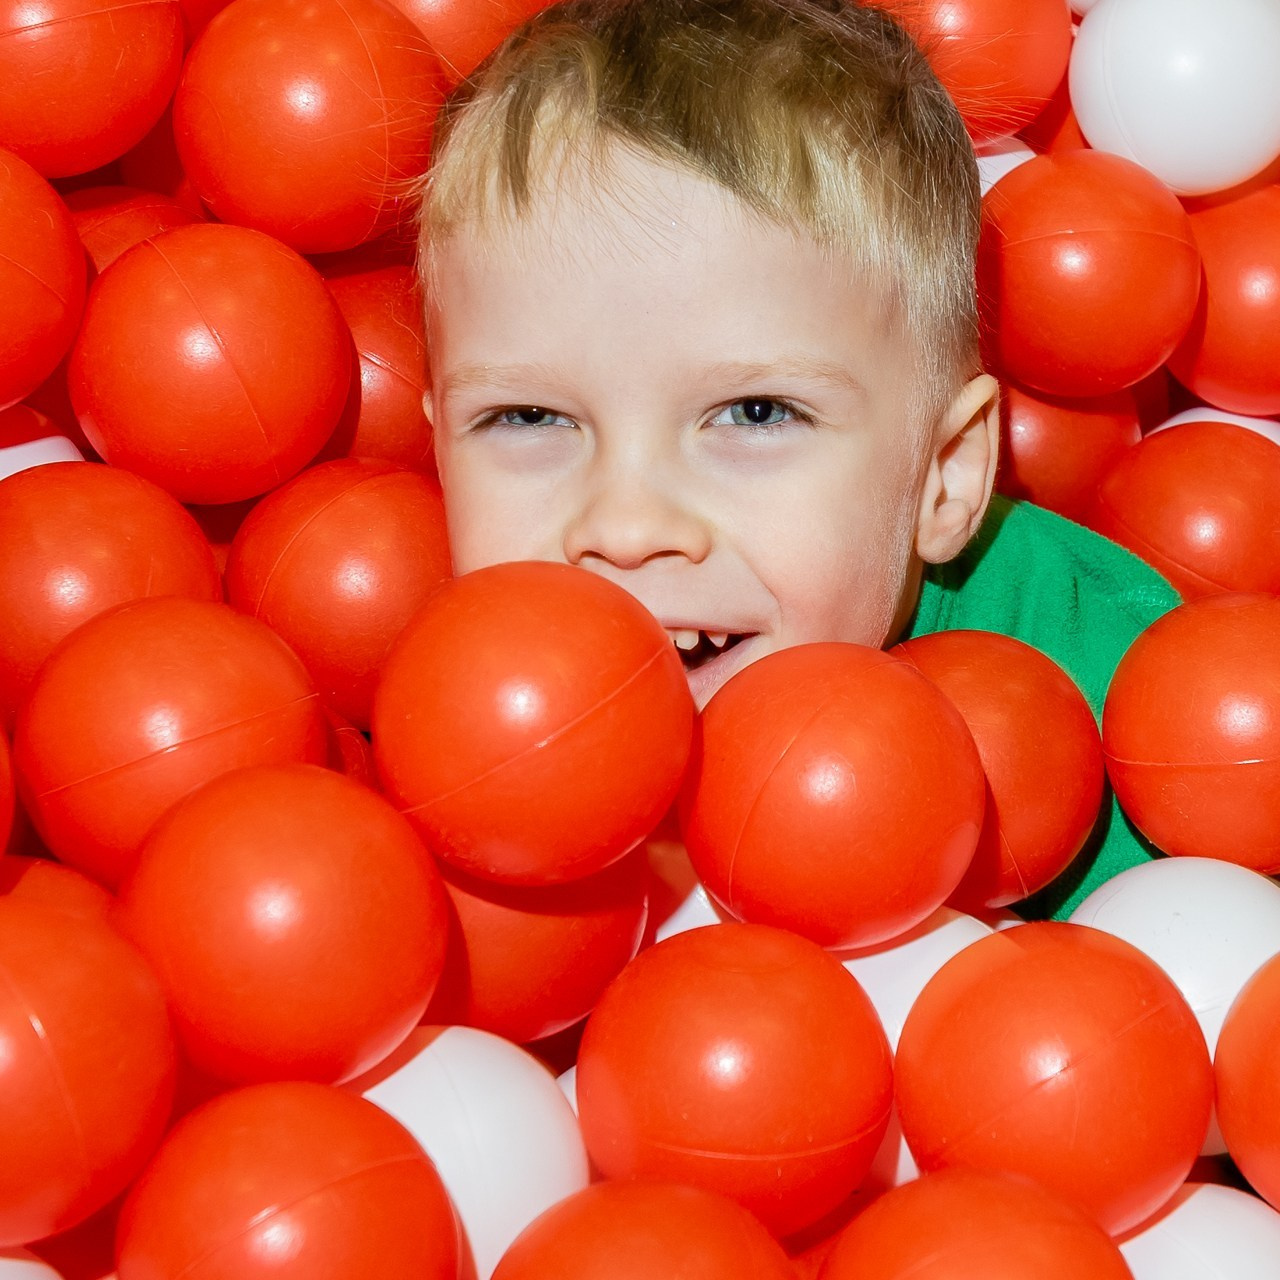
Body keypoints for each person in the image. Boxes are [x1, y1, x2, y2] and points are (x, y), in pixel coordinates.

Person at [412, 0, 1178, 919]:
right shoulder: (431, 728)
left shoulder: (1118, 710)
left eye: (753, 412)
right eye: (528, 416)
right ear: (438, 453)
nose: (624, 526)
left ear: (945, 475)